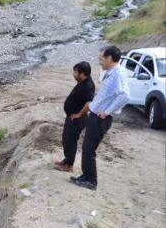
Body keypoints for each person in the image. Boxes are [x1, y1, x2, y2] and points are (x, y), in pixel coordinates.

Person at [69, 46, 130, 190]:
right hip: (95, 116)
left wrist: (107, 111)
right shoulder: (111, 72)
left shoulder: (118, 73)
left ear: (110, 58)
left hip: (100, 119)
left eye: (101, 59)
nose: (99, 62)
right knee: (86, 147)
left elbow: (125, 96)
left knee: (90, 149)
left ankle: (91, 180)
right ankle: (86, 175)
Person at [55, 62, 95, 172]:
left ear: (83, 73)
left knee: (71, 141)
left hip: (77, 119)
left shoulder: (88, 86)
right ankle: (67, 160)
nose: (73, 74)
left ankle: (69, 165)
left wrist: (79, 114)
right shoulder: (82, 82)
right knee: (66, 139)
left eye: (75, 72)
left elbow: (89, 104)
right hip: (72, 117)